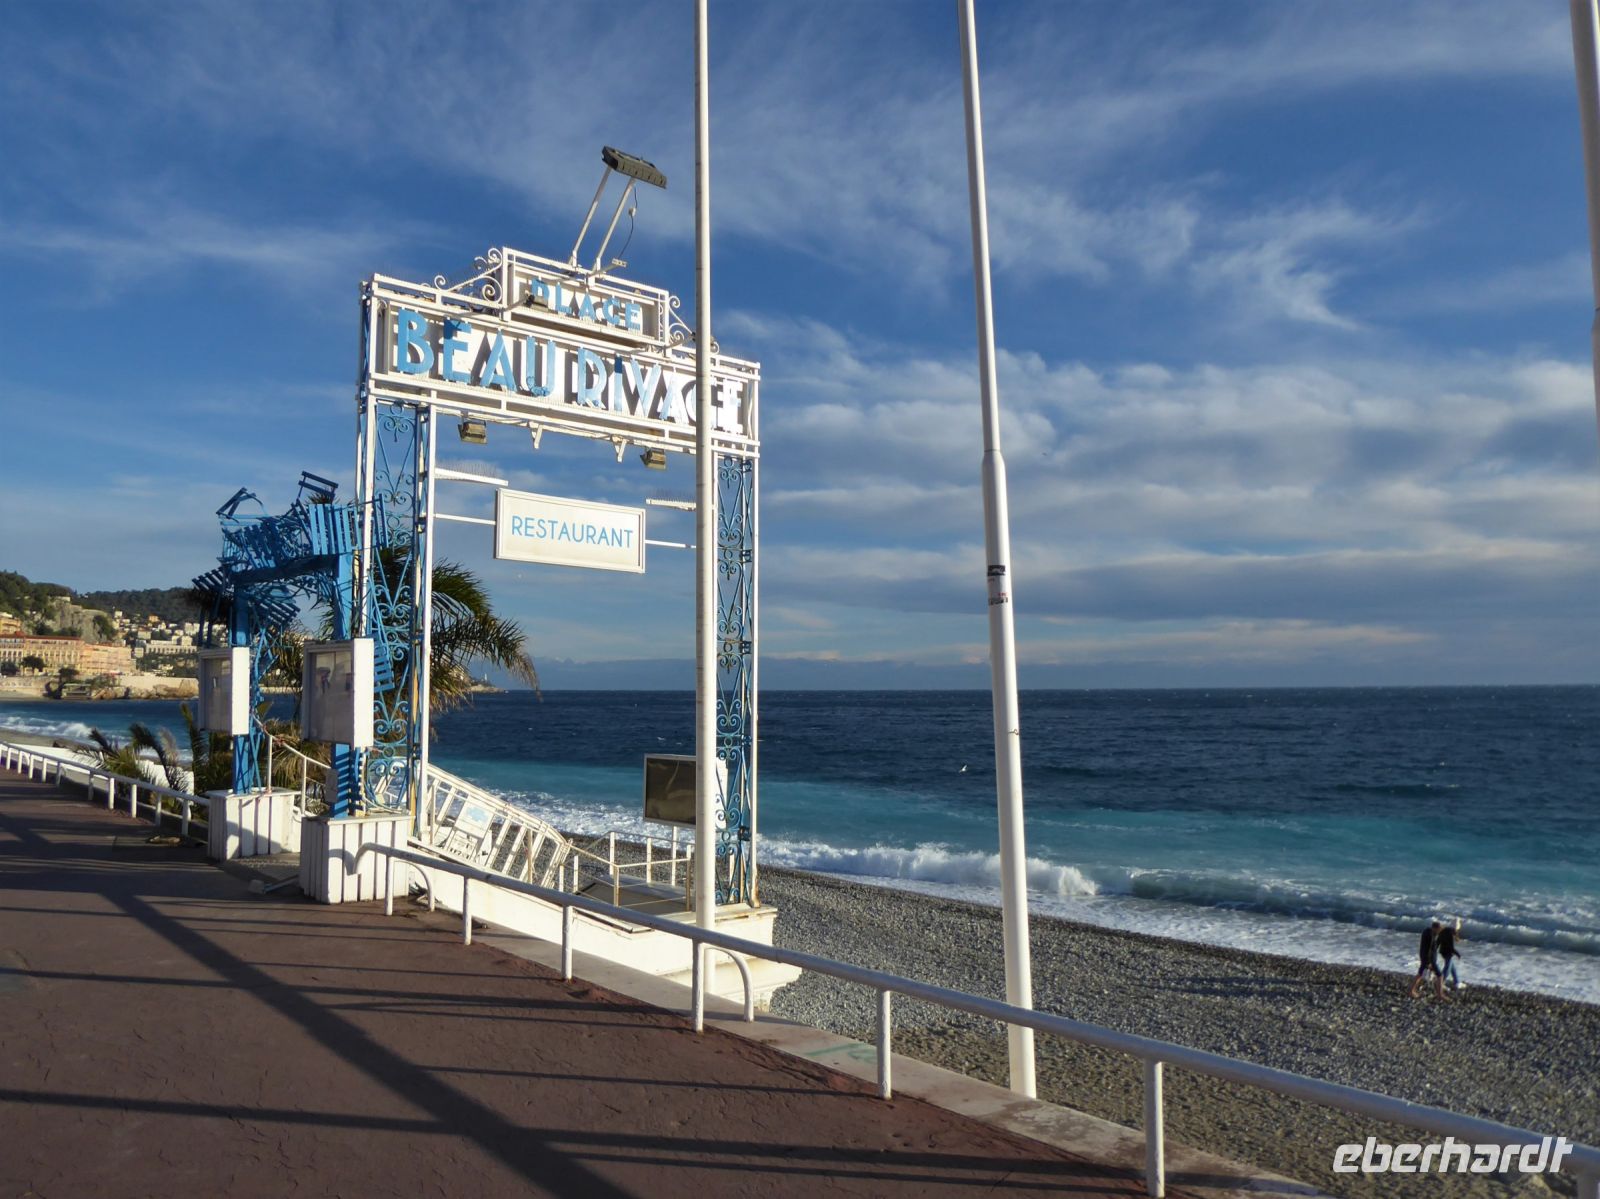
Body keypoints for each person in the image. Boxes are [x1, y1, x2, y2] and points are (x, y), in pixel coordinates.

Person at [1407, 917, 1448, 1000]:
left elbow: (1433, 947)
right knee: (1439, 975)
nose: (1439, 931)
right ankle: (1440, 994)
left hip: (1427, 958)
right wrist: (1429, 962)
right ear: (1435, 928)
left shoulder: (1428, 933)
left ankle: (1412, 990)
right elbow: (1429, 949)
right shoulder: (1430, 936)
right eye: (1439, 929)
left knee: (1421, 974)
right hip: (1429, 960)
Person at [1438, 917, 1464, 992]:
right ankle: (1441, 983)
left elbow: (1439, 941)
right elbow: (1451, 947)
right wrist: (1457, 954)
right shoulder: (1450, 934)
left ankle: (1457, 982)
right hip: (1447, 952)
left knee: (1452, 967)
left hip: (1442, 951)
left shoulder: (1445, 930)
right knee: (1447, 969)